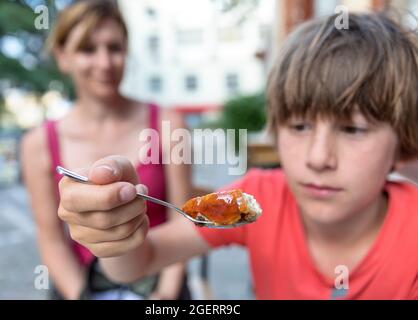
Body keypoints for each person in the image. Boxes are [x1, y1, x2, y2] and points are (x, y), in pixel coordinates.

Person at [56, 12, 418, 299]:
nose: (319, 158)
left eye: (353, 130)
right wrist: (115, 236)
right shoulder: (260, 197)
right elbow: (142, 261)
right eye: (299, 127)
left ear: (402, 145)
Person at [21, 0, 191, 300]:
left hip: (159, 278)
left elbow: (183, 220)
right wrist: (81, 295)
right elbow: (51, 241)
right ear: (63, 57)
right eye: (88, 49)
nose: (104, 63)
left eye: (114, 48)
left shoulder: (168, 123)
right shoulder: (37, 144)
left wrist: (164, 294)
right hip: (84, 284)